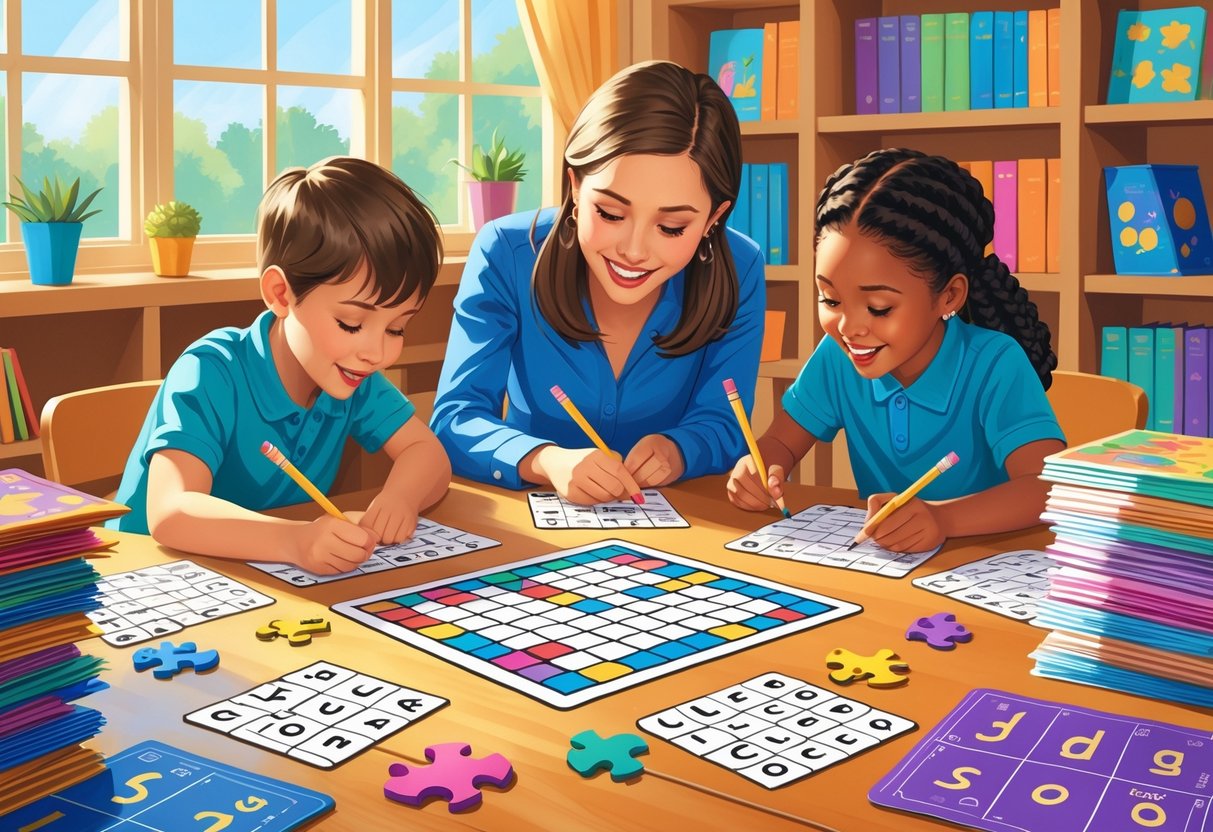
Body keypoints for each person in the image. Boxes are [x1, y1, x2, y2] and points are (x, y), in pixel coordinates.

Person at [431, 60, 766, 504]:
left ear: (713, 219)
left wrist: (680, 450)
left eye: (671, 228)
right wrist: (545, 460)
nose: (633, 250)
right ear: (574, 185)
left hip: (682, 524)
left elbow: (727, 422)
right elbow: (456, 417)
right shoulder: (505, 253)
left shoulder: (740, 267)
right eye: (609, 213)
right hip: (531, 527)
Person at [108, 156, 451, 575]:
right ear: (281, 294)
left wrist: (400, 497)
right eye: (352, 323)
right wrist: (294, 541)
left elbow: (427, 453)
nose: (376, 352)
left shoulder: (352, 375)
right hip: (152, 583)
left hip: (260, 582)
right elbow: (171, 512)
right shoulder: (211, 371)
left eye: (397, 329)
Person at [727, 148, 1065, 553]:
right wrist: (760, 467)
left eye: (879, 307)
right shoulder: (838, 358)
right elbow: (780, 443)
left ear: (949, 296)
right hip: (886, 563)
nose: (850, 327)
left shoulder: (994, 364)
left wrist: (943, 518)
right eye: (831, 300)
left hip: (988, 565)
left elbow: (1047, 488)